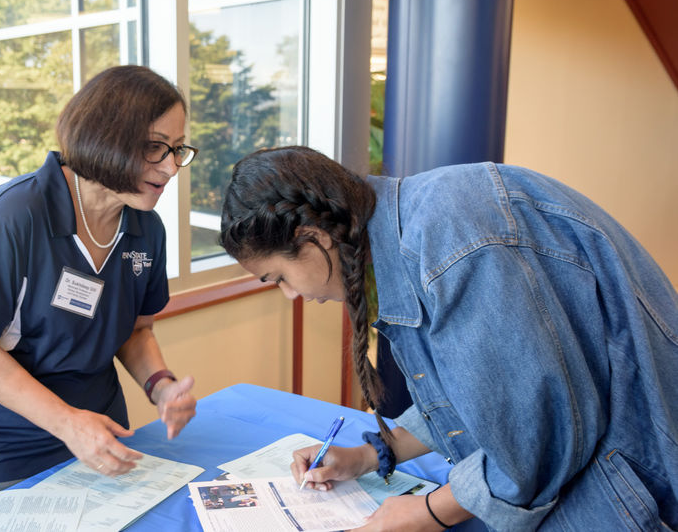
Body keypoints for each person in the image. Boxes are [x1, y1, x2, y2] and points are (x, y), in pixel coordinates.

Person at [219, 145, 678, 531]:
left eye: (278, 277)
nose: (291, 296)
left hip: (629, 483)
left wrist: (424, 513)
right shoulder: (406, 232)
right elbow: (478, 395)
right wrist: (368, 455)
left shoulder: (452, 240)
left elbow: (534, 443)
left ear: (312, 238)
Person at [0, 65, 198, 513]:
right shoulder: (16, 217)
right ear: (105, 136)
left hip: (94, 433)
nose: (169, 167)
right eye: (154, 148)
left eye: (177, 149)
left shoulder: (146, 228)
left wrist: (160, 386)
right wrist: (67, 423)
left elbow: (135, 329)